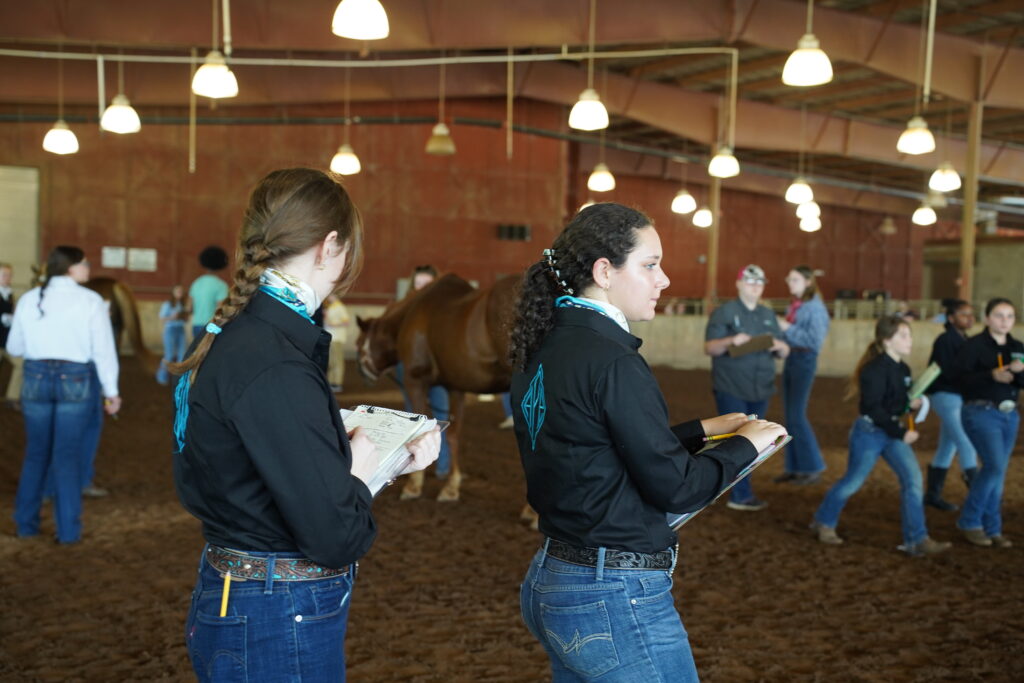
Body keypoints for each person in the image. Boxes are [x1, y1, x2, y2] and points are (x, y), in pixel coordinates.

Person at [171, 168, 440, 682]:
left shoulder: (227, 335)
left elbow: (269, 474)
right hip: (276, 609)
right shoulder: (275, 362)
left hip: (241, 589)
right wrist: (359, 471)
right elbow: (335, 534)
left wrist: (384, 463)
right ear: (328, 246)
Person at [509, 203, 786, 681]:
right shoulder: (613, 360)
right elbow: (677, 489)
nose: (664, 280)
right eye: (650, 265)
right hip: (612, 592)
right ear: (604, 272)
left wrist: (699, 431)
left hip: (555, 576)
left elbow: (596, 446)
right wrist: (747, 447)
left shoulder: (545, 344)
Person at [7, 246, 121, 544]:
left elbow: (15, 347)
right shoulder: (91, 301)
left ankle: (26, 525)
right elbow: (103, 352)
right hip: (76, 379)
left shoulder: (31, 299)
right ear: (72, 267)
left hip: (35, 378)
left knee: (36, 454)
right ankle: (68, 531)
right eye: (85, 263)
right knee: (67, 457)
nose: (88, 268)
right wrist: (112, 392)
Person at [811, 314, 951, 556]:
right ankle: (824, 521)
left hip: (889, 431)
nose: (910, 341)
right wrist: (901, 431)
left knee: (913, 481)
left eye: (910, 335)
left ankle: (917, 539)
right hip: (871, 433)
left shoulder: (903, 369)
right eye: (903, 336)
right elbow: (872, 409)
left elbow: (896, 403)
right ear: (887, 341)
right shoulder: (872, 370)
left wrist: (911, 403)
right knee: (853, 482)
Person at [704, 264, 790, 511]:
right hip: (732, 385)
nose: (755, 286)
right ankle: (738, 493)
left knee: (756, 440)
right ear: (739, 284)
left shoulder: (767, 314)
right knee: (738, 440)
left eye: (760, 282)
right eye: (750, 281)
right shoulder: (725, 313)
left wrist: (781, 348)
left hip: (761, 387)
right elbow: (710, 348)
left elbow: (783, 349)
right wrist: (731, 340)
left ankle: (739, 491)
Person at [953, 298, 1022, 548]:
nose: (1005, 321)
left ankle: (993, 528)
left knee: (997, 471)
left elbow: (1021, 382)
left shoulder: (1017, 347)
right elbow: (959, 378)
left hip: (1009, 414)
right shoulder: (973, 346)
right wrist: (991, 374)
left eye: (1010, 316)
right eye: (999, 315)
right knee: (994, 466)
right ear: (988, 318)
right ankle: (970, 520)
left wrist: (1018, 372)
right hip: (980, 411)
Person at [392, 263, 452, 476]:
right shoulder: (403, 308)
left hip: (438, 372)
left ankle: (442, 467)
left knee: (440, 420)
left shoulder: (446, 311)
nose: (421, 288)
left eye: (426, 284)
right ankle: (412, 470)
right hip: (410, 370)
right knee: (413, 419)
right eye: (418, 284)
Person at [775, 265, 830, 485]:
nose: (790, 283)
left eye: (795, 279)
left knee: (796, 415)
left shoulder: (813, 308)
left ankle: (812, 466)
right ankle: (796, 468)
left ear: (808, 281)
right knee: (791, 416)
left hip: (804, 360)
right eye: (789, 279)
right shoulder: (799, 305)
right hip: (794, 359)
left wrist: (786, 328)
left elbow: (814, 341)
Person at [923, 299, 978, 510]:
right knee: (965, 442)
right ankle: (978, 495)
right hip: (946, 395)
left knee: (948, 445)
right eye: (964, 314)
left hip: (954, 396)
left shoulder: (963, 340)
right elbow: (949, 372)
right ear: (951, 318)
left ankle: (932, 494)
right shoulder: (946, 340)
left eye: (971, 314)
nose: (970, 318)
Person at [188, 246, 229, 341]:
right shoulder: (221, 285)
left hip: (196, 325)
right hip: (211, 326)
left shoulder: (196, 283)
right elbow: (221, 309)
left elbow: (189, 307)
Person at [155, 284, 188, 386]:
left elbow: (186, 320)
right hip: (170, 330)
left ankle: (177, 379)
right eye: (177, 291)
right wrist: (172, 317)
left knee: (181, 355)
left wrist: (184, 316)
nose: (179, 293)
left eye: (181, 292)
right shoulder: (168, 304)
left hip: (180, 329)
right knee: (169, 355)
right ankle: (161, 376)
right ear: (173, 293)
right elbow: (162, 318)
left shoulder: (183, 305)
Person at [1, 261, 23, 410]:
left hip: (6, 339)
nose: (8, 278)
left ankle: (12, 396)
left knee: (20, 364)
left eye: (9, 275)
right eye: (4, 275)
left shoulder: (9, 294)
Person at [323, 292, 351, 392]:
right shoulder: (332, 307)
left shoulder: (340, 307)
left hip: (336, 337)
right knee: (332, 361)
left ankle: (337, 383)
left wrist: (333, 324)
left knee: (337, 361)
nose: (329, 297)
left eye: (330, 295)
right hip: (332, 337)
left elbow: (346, 322)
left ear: (334, 296)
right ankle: (331, 382)